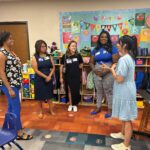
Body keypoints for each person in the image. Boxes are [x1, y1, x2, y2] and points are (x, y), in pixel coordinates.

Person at [102, 35, 138, 150]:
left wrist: (112, 70)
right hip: (126, 90)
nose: (117, 44)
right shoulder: (128, 57)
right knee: (124, 115)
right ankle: (123, 134)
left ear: (125, 45)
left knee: (127, 119)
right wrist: (110, 69)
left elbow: (119, 79)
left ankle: (126, 145)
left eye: (119, 43)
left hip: (125, 91)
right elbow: (123, 73)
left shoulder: (123, 59)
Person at [0, 31, 33, 140]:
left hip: (16, 83)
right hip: (9, 85)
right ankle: (18, 132)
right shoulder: (2, 53)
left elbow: (17, 65)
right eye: (10, 38)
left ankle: (8, 128)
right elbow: (1, 72)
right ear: (4, 40)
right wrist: (9, 89)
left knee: (10, 107)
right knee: (16, 108)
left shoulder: (11, 52)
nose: (12, 40)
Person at [90, 30, 119, 117]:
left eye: (106, 37)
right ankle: (98, 107)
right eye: (102, 37)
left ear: (108, 38)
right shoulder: (95, 49)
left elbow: (115, 62)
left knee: (109, 91)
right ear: (99, 38)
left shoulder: (113, 48)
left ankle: (110, 109)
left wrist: (107, 70)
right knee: (99, 90)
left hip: (109, 72)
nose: (104, 38)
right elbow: (91, 62)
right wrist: (95, 70)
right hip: (97, 73)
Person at [32, 40, 55, 119]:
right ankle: (40, 111)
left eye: (45, 46)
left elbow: (53, 67)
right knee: (40, 97)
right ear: (38, 47)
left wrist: (50, 76)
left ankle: (51, 110)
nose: (44, 48)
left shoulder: (49, 56)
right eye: (42, 46)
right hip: (39, 79)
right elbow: (36, 70)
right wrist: (46, 77)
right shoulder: (35, 57)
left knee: (49, 96)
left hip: (49, 79)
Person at [60, 40, 83, 112]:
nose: (74, 47)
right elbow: (61, 67)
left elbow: (81, 65)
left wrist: (78, 67)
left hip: (76, 76)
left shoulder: (78, 55)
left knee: (76, 90)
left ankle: (75, 105)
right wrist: (61, 77)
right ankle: (70, 104)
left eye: (75, 46)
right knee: (69, 90)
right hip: (68, 76)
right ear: (69, 47)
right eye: (72, 46)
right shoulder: (65, 56)